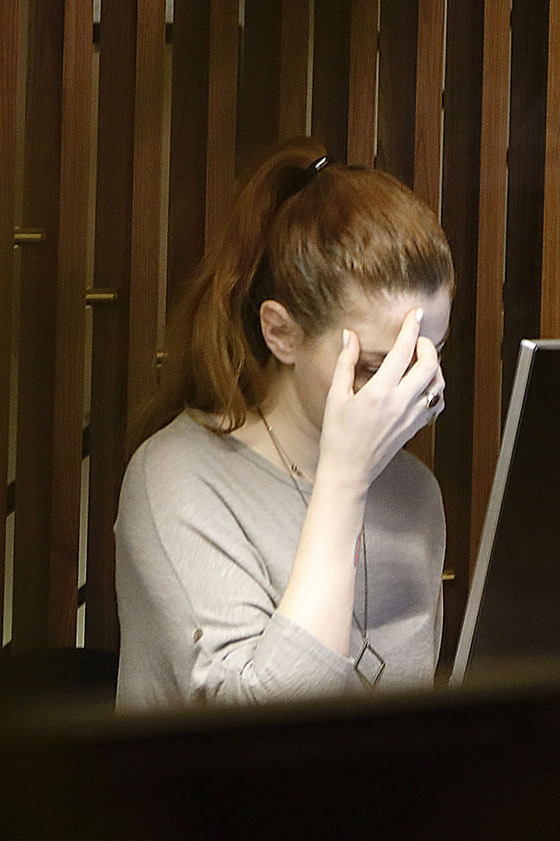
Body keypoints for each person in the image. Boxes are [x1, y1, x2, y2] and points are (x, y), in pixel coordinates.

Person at [114, 136, 452, 712]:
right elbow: (263, 738)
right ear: (282, 333)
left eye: (430, 355)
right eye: (376, 366)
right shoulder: (174, 478)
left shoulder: (414, 492)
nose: (412, 390)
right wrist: (344, 483)